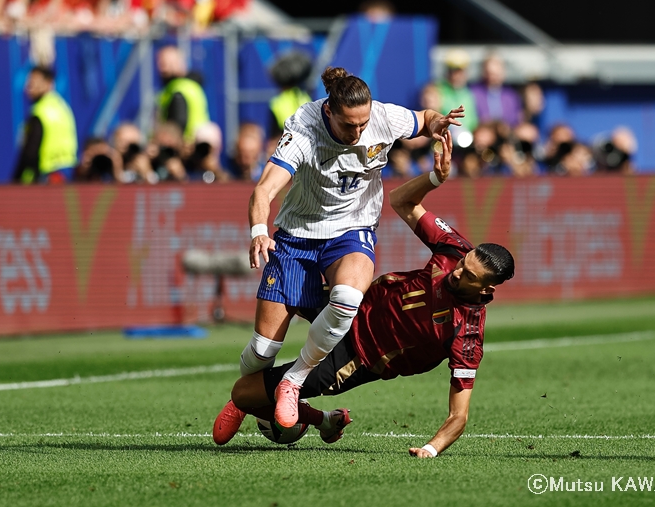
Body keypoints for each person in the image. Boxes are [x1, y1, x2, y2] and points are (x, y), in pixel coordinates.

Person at [213, 130, 516, 457]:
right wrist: (434, 177)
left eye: (468, 275)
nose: (457, 271)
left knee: (243, 392)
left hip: (356, 358)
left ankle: (316, 419)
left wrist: (431, 448)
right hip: (351, 304)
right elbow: (402, 201)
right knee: (287, 293)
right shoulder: (456, 250)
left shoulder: (466, 333)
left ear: (487, 289)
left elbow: (459, 415)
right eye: (463, 263)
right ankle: (300, 406)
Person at [217, 66, 466, 431]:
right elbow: (264, 190)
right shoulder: (303, 129)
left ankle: (293, 381)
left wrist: (438, 125)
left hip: (352, 229)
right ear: (329, 111)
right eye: (350, 125)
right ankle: (247, 401)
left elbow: (424, 120)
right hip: (296, 237)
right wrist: (258, 231)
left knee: (349, 297)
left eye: (363, 124)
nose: (358, 132)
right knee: (261, 351)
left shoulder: (381, 117)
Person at [155, 44, 222, 167]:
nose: (161, 67)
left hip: (184, 151)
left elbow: (177, 123)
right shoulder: (191, 86)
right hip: (195, 147)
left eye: (165, 62)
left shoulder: (177, 89)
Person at [11, 65, 78, 184]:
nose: (29, 87)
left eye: (34, 82)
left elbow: (30, 151)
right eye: (29, 82)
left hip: (44, 176)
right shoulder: (63, 108)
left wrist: (15, 181)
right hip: (67, 174)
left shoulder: (39, 112)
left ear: (49, 84)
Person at [470, 53, 522, 129]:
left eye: (496, 74)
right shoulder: (473, 93)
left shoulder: (511, 96)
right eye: (490, 74)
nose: (493, 78)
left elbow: (515, 120)